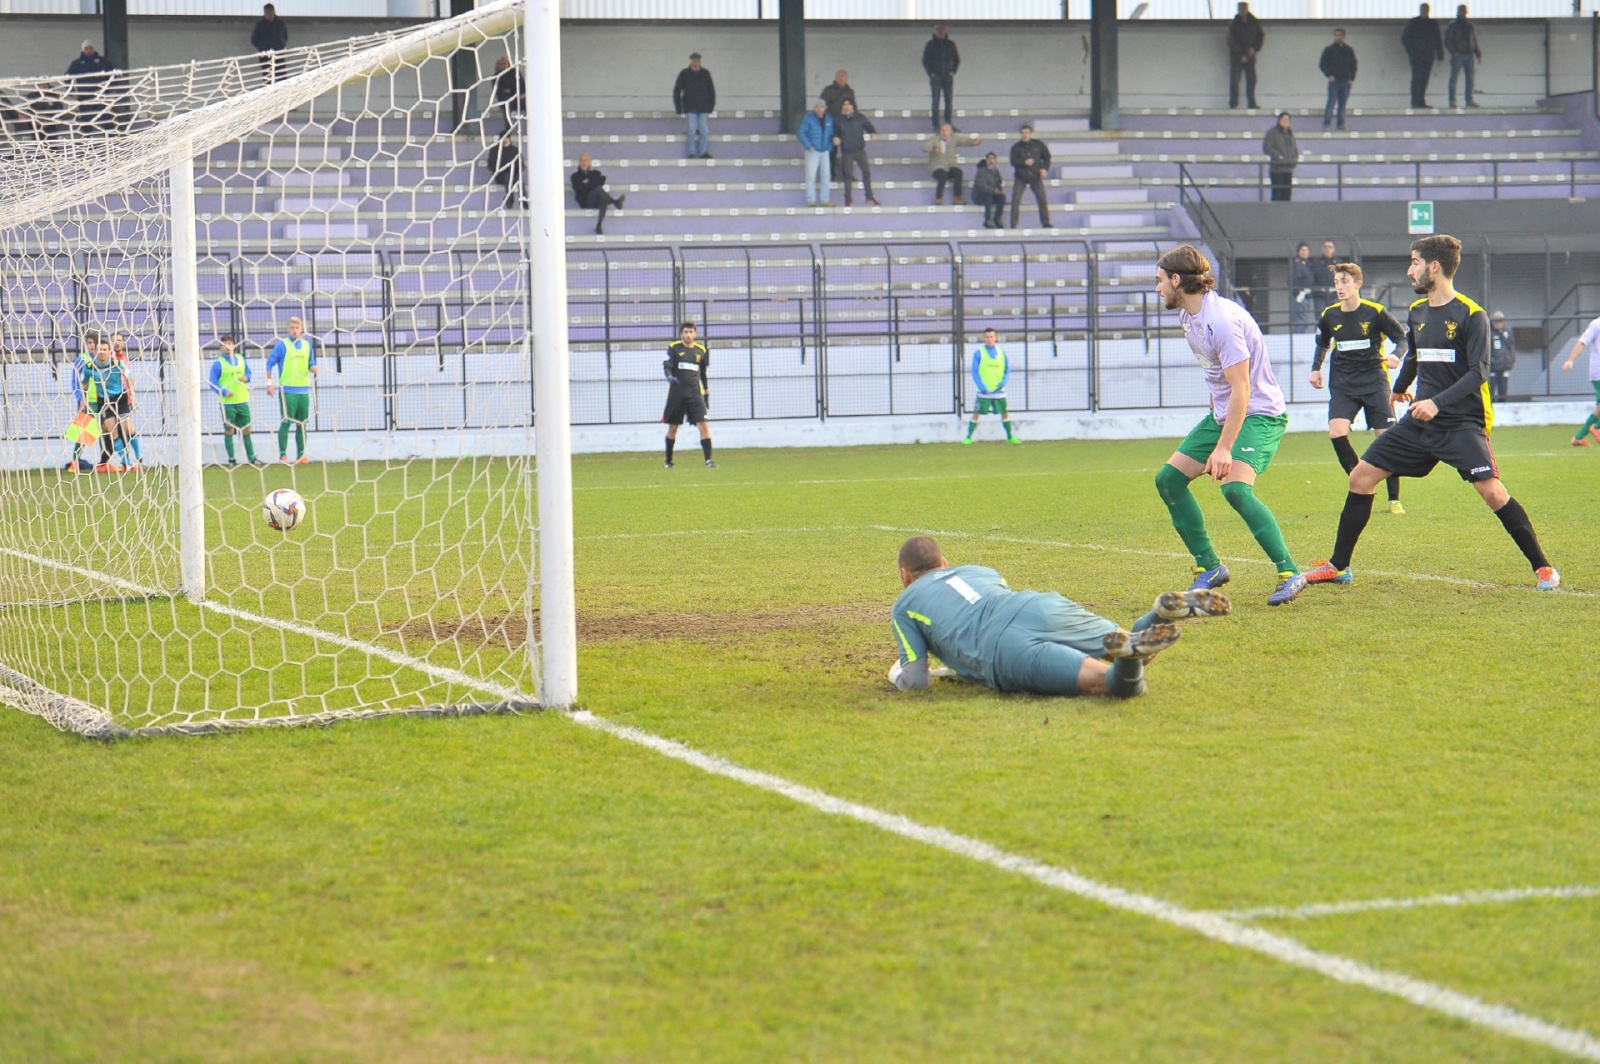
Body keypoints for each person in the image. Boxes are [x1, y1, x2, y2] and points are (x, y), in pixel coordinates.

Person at [1304, 235, 1560, 591]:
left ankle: (1543, 568)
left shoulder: (1473, 315)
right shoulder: (1417, 311)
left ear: (1434, 267)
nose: (1410, 270)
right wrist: (1398, 389)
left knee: (1493, 493)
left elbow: (1479, 372)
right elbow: (1414, 356)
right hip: (1419, 420)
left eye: (1414, 262)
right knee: (1360, 477)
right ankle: (1338, 566)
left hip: (1461, 422)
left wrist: (1437, 402)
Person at [887, 535, 1231, 699]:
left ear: (905, 575)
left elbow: (916, 680)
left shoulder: (905, 605)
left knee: (1115, 685)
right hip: (1038, 607)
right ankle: (1157, 615)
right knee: (1133, 646)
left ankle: (1131, 653)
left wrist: (896, 675)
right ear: (945, 562)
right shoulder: (980, 570)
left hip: (1003, 648)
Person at [1153, 245, 1306, 607]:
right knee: (1168, 479)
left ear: (1177, 279)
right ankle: (1209, 567)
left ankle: (1289, 571)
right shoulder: (1189, 318)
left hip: (1260, 413)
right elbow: (1216, 377)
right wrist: (1214, 427)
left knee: (1235, 489)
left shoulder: (1220, 320)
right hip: (1225, 412)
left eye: (1159, 281)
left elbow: (1242, 387)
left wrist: (1223, 447)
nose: (1157, 288)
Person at [1311, 262, 1409, 515]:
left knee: (1386, 438)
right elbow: (1322, 343)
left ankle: (1394, 499)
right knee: (1336, 432)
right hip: (1343, 384)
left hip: (1374, 381)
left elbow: (1402, 338)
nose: (1339, 287)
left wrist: (1396, 355)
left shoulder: (1376, 312)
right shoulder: (1330, 315)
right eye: (1336, 283)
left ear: (1358, 284)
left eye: (1344, 282)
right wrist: (1315, 368)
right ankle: (1360, 481)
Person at [79, 335, 139, 472]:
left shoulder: (119, 362)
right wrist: (82, 400)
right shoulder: (85, 363)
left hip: (120, 398)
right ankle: (83, 460)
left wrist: (131, 395)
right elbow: (80, 383)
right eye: (97, 348)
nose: (101, 351)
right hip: (97, 401)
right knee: (97, 432)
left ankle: (133, 459)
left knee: (126, 429)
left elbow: (129, 377)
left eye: (105, 349)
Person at [265, 316, 318, 464]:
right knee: (286, 422)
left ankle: (301, 455)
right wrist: (269, 383)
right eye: (292, 328)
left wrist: (313, 368)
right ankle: (283, 455)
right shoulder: (282, 345)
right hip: (287, 390)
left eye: (297, 328)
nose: (295, 331)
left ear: (302, 329)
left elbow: (310, 363)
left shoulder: (308, 345)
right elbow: (269, 363)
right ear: (288, 329)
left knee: (302, 423)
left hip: (303, 391)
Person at [662, 322, 714, 469]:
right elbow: (667, 365)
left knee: (703, 425)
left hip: (695, 395)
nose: (688, 335)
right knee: (673, 427)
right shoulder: (674, 348)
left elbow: (702, 372)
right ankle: (668, 460)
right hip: (677, 394)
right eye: (685, 332)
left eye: (691, 332)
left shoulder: (701, 350)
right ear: (681, 334)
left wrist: (706, 389)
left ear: (695, 334)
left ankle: (708, 460)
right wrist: (669, 377)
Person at [208, 336, 262, 466]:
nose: (227, 346)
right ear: (221, 347)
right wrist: (225, 392)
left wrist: (246, 377)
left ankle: (252, 458)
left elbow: (249, 373)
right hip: (227, 404)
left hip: (243, 401)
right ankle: (232, 459)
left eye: (229, 344)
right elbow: (212, 382)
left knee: (247, 430)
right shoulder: (218, 363)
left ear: (234, 345)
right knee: (230, 431)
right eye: (224, 344)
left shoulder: (241, 359)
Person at [964, 329, 1019, 444]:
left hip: (999, 391)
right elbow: (974, 371)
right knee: (977, 413)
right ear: (984, 338)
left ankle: (1010, 436)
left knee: (1004, 412)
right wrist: (982, 387)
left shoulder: (1001, 352)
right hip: (984, 392)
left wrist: (1003, 382)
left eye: (991, 337)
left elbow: (1007, 369)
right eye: (987, 337)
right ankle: (968, 437)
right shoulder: (979, 353)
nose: (989, 339)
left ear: (995, 338)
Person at [1558, 314, 1600, 446]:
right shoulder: (1596, 324)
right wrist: (1570, 360)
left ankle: (1578, 437)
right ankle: (1596, 428)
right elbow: (1582, 342)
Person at [832, 99, 879, 208]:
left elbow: (869, 126)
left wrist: (873, 133)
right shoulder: (838, 120)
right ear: (842, 107)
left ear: (853, 106)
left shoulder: (860, 117)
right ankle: (848, 199)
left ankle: (869, 196)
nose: (847, 106)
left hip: (859, 150)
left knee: (866, 172)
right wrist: (835, 138)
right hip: (847, 152)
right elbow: (835, 133)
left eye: (849, 104)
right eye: (844, 104)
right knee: (847, 176)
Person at [923, 122, 981, 206]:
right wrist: (933, 148)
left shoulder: (954, 138)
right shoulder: (934, 139)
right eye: (942, 130)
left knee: (958, 172)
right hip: (937, 167)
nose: (944, 132)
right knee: (942, 175)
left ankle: (957, 197)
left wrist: (973, 142)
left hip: (950, 166)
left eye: (946, 130)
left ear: (950, 131)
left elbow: (964, 141)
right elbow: (924, 146)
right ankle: (938, 197)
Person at [65, 41, 115, 135]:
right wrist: (72, 93)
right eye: (86, 48)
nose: (89, 50)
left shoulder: (104, 61)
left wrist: (112, 90)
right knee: (86, 122)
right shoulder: (77, 63)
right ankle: (87, 144)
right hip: (85, 97)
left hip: (102, 96)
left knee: (107, 120)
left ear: (94, 48)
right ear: (83, 50)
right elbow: (67, 78)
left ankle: (113, 142)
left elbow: (113, 75)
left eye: (90, 48)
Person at [672, 52, 715, 160]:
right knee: (691, 129)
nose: (695, 62)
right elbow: (677, 90)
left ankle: (703, 152)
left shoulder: (706, 73)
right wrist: (678, 107)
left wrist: (711, 105)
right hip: (690, 106)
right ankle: (691, 152)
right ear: (691, 61)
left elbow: (711, 90)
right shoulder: (684, 73)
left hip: (703, 106)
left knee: (704, 130)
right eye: (693, 60)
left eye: (697, 60)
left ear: (700, 61)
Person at [1008, 124, 1052, 229]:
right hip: (1021, 176)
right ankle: (1013, 223)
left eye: (1027, 133)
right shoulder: (1016, 147)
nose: (1025, 135)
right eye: (1023, 133)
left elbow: (1047, 157)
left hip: (1035, 176)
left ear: (1030, 133)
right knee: (1016, 200)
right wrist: (1024, 162)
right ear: (1020, 134)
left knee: (1042, 198)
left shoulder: (1039, 145)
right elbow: (1013, 161)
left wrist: (1044, 168)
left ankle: (1045, 222)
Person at [570, 152, 625, 235]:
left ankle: (598, 225)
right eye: (582, 161)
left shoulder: (595, 173)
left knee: (603, 198)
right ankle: (614, 202)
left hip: (596, 201)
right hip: (586, 203)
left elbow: (602, 179)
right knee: (598, 189)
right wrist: (592, 183)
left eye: (586, 160)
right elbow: (579, 188)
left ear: (589, 162)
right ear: (579, 162)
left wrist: (587, 183)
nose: (584, 163)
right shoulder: (575, 176)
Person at [1402, 3, 1444, 108]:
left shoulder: (1433, 24)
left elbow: (1438, 40)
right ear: (1420, 10)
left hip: (1428, 56)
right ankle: (1415, 102)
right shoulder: (1413, 22)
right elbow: (1404, 39)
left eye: (1426, 9)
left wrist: (1440, 56)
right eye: (1423, 9)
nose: (1425, 11)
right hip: (1416, 56)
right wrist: (1411, 52)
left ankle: (1421, 102)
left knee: (1424, 79)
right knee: (1417, 78)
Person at [921, 24, 960, 132]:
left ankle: (948, 125)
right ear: (935, 32)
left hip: (947, 76)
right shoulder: (930, 44)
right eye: (939, 30)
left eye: (942, 30)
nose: (941, 32)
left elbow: (956, 59)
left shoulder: (950, 44)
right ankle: (935, 125)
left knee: (948, 101)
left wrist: (953, 71)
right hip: (936, 77)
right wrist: (931, 73)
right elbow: (925, 60)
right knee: (935, 101)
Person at [819, 70, 857, 179]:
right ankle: (830, 174)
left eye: (843, 76)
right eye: (839, 76)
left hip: (846, 125)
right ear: (836, 77)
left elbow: (854, 109)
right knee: (831, 151)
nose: (841, 78)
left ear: (846, 78)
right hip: (832, 125)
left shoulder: (850, 92)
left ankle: (848, 174)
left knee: (848, 151)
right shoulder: (828, 90)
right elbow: (821, 106)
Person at [1227, 2, 1264, 110]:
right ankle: (1233, 104)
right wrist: (1240, 55)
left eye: (1244, 9)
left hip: (1250, 57)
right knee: (1234, 80)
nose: (1243, 11)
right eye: (1241, 9)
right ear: (1238, 10)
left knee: (1252, 80)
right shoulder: (1233, 24)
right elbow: (1231, 41)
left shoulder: (1254, 22)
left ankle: (1251, 103)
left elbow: (1260, 37)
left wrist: (1255, 48)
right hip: (1236, 58)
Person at [797, 99, 833, 207]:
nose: (819, 109)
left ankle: (825, 200)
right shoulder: (809, 118)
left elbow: (831, 134)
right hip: (813, 151)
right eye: (817, 107)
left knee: (826, 176)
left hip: (825, 151)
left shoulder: (829, 119)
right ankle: (811, 200)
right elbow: (801, 132)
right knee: (810, 176)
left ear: (825, 108)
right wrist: (808, 146)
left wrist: (829, 146)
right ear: (814, 108)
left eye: (821, 107)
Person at [1319, 28, 1357, 131]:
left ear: (1344, 36)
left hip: (1345, 81)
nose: (1338, 37)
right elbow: (1322, 64)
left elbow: (1354, 64)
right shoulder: (1329, 50)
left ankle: (1341, 124)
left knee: (1342, 104)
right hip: (1334, 81)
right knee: (1331, 102)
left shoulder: (1349, 50)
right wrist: (1329, 75)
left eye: (1340, 35)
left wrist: (1352, 78)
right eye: (1336, 35)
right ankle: (1327, 124)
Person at [1445, 4, 1482, 108]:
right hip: (1458, 55)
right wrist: (1454, 51)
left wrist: (1478, 54)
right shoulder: (1453, 25)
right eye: (1461, 11)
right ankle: (1452, 101)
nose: (1463, 12)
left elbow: (1474, 40)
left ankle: (1469, 100)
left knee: (1470, 79)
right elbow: (1447, 41)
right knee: (1453, 79)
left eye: (1464, 11)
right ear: (1458, 12)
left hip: (1469, 55)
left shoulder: (1470, 26)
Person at [1262, 112, 1298, 202]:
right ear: (1279, 120)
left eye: (1288, 120)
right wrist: (1278, 156)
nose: (1286, 122)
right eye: (1284, 119)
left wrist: (1295, 159)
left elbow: (1295, 149)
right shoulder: (1272, 133)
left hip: (1288, 169)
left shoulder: (1290, 134)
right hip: (1277, 169)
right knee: (1277, 196)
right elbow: (1267, 148)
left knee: (1287, 196)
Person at [251, 4, 289, 85]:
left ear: (274, 12)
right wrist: (262, 47)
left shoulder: (280, 23)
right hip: (265, 55)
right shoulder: (260, 25)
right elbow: (254, 40)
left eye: (271, 12)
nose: (269, 15)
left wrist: (280, 45)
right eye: (267, 13)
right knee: (268, 77)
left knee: (281, 76)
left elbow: (285, 37)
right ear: (264, 13)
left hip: (278, 54)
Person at [485, 129, 521, 209]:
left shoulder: (515, 150)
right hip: (500, 175)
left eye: (506, 138)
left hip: (514, 173)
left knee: (519, 179)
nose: (504, 139)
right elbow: (491, 165)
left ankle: (523, 200)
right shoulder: (495, 150)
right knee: (507, 177)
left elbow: (521, 165)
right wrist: (501, 168)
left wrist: (514, 169)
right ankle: (509, 199)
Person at [1488, 310, 1516, 402]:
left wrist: (1511, 359)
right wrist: (1491, 360)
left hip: (1505, 366)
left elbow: (1511, 346)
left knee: (1503, 391)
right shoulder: (1489, 333)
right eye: (1496, 321)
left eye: (1500, 321)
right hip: (1493, 367)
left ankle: (1503, 404)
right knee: (1491, 390)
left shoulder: (1507, 332)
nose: (1498, 323)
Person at [972, 152, 1006, 229]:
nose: (991, 160)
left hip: (992, 194)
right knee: (989, 196)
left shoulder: (996, 172)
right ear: (986, 160)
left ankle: (997, 218)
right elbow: (982, 186)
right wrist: (994, 190)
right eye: (989, 158)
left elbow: (999, 184)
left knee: (1002, 197)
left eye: (992, 158)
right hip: (979, 196)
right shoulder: (981, 171)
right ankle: (987, 219)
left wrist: (999, 190)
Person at [1290, 243, 1318, 330]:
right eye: (1302, 250)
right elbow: (1293, 279)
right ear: (1298, 252)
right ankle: (1298, 340)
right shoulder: (1296, 264)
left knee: (1304, 318)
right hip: (1300, 295)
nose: (1304, 252)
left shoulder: (1309, 264)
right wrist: (1298, 292)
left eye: (1306, 250)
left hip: (1308, 295)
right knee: (1300, 319)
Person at [492, 57, 523, 132]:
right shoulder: (496, 76)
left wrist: (518, 93)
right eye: (501, 64)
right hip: (506, 98)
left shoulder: (515, 72)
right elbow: (498, 89)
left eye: (505, 63)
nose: (503, 65)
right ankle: (508, 128)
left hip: (518, 96)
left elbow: (521, 84)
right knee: (507, 103)